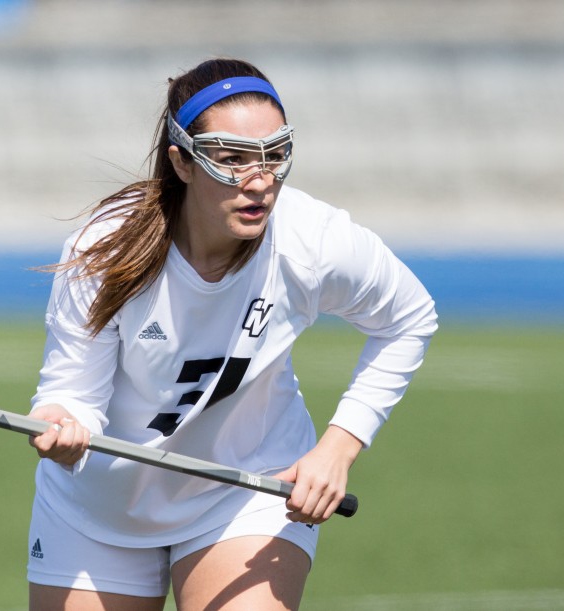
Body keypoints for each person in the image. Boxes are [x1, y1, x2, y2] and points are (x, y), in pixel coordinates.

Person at [24, 57, 438, 611]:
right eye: (232, 160)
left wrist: (337, 449)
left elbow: (410, 317)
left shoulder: (312, 238)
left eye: (275, 155)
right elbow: (73, 392)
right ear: (183, 163)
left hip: (246, 491)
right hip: (98, 510)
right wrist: (63, 422)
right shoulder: (106, 247)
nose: (260, 182)